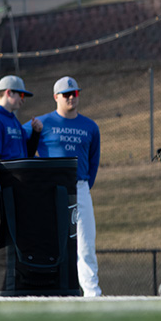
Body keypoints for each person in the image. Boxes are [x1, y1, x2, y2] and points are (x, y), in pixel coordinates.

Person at [26, 76, 102, 296]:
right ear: (55, 97)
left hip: (79, 188)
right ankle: (51, 289)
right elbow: (19, 143)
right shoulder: (42, 123)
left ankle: (92, 292)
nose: (71, 98)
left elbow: (94, 160)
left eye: (75, 93)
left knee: (86, 242)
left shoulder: (90, 127)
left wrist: (85, 184)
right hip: (51, 190)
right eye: (67, 94)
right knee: (51, 243)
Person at [0, 75, 42, 161]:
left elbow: (28, 153)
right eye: (21, 95)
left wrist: (36, 133)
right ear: (9, 93)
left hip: (19, 174)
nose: (23, 100)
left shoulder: (14, 121)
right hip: (6, 174)